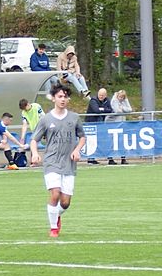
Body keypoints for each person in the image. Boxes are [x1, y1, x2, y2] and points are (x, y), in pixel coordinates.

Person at [30, 84, 86, 238]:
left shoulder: (74, 118)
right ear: (53, 98)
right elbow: (34, 140)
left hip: (69, 163)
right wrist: (35, 153)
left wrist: (76, 150)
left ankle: (56, 215)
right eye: (60, 96)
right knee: (55, 193)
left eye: (65, 97)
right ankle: (53, 228)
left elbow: (82, 137)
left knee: (65, 202)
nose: (63, 99)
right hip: (51, 162)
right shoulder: (46, 119)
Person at [86, 88, 114, 164]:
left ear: (105, 95)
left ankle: (110, 158)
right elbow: (96, 111)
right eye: (100, 95)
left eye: (102, 95)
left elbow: (110, 110)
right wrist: (103, 109)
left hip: (101, 124)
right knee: (92, 141)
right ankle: (91, 159)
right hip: (92, 124)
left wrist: (101, 109)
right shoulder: (93, 100)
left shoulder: (107, 100)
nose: (101, 96)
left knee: (105, 141)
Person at [109, 89, 133, 164]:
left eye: (122, 97)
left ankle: (123, 158)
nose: (121, 98)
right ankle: (110, 158)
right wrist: (122, 110)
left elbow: (130, 109)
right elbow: (117, 111)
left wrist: (122, 108)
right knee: (112, 141)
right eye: (120, 97)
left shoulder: (125, 100)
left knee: (122, 141)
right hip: (113, 124)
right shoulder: (114, 100)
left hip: (122, 123)